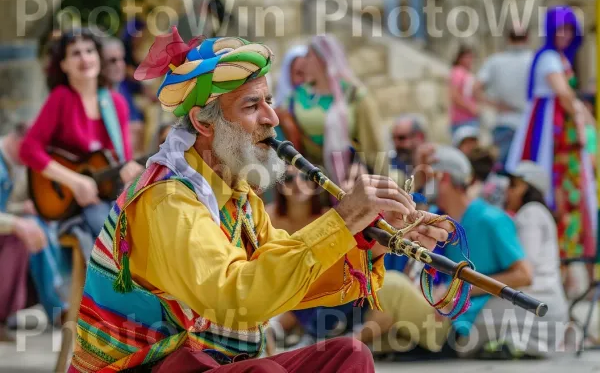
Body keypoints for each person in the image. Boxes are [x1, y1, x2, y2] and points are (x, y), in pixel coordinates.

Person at [68, 29, 454, 372]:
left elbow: (285, 280)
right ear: (204, 122)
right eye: (252, 106)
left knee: (349, 355)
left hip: (211, 361)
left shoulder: (237, 195)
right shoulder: (169, 200)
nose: (272, 117)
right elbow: (238, 298)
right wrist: (341, 219)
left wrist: (370, 241)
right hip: (146, 366)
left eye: (268, 100)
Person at [19, 28, 144, 262]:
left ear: (98, 57)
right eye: (75, 53)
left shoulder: (115, 103)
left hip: (109, 195)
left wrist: (130, 174)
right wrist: (75, 182)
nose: (85, 58)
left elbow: (124, 160)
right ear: (64, 65)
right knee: (112, 230)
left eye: (90, 51)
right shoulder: (61, 98)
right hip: (71, 204)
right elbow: (29, 149)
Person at [506, 5, 597, 262]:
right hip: (551, 134)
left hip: (560, 133)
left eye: (569, 29)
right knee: (553, 184)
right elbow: (565, 95)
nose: (565, 35)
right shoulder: (549, 59)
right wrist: (585, 124)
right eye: (561, 29)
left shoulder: (558, 58)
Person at [425, 145, 534, 358]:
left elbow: (524, 275)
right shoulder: (442, 221)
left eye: (430, 176)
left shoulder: (491, 219)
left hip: (469, 319)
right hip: (448, 314)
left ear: (445, 178)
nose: (424, 183)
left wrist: (461, 289)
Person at [275, 35, 387, 188]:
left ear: (321, 59)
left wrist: (379, 181)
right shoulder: (297, 97)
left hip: (352, 178)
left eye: (308, 55)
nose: (304, 61)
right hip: (310, 180)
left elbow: (373, 146)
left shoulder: (355, 95)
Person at [504, 161, 569, 353]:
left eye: (513, 186)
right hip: (544, 302)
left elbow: (525, 271)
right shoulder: (536, 213)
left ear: (527, 188)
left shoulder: (530, 213)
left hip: (538, 301)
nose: (508, 192)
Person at [0, 125, 47, 340]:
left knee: (35, 228)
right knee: (20, 235)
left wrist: (20, 216)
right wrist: (17, 224)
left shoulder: (14, 166)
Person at [474, 26, 534, 167]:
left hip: (504, 122)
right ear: (527, 39)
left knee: (501, 172)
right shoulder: (533, 60)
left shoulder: (495, 61)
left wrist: (495, 104)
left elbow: (475, 88)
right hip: (529, 123)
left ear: (508, 39)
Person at [102, 36, 145, 156]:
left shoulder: (121, 89)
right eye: (112, 60)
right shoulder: (97, 96)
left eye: (122, 59)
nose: (120, 65)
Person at [449, 46, 479, 134]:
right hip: (462, 119)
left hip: (469, 118)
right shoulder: (458, 72)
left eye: (471, 57)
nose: (470, 60)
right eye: (467, 57)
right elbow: (454, 96)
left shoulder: (466, 73)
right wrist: (471, 108)